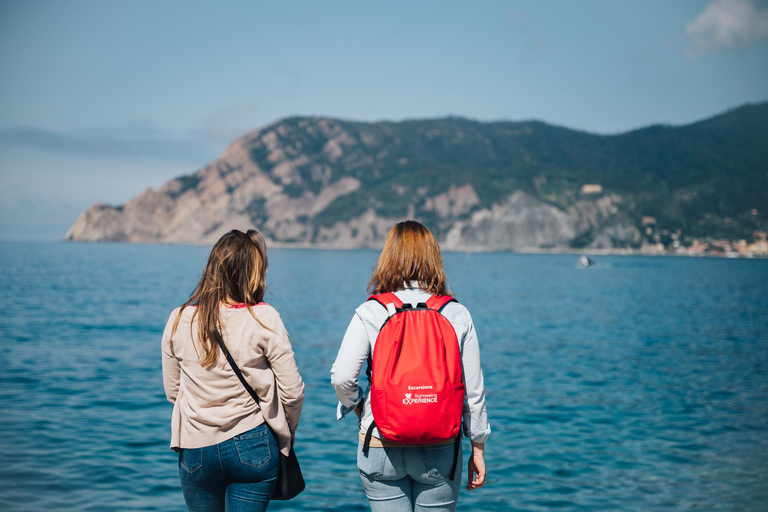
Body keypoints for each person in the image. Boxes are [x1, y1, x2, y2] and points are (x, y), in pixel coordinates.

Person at [331, 220, 490, 512]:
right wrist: (477, 447)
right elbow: (473, 391)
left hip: (380, 443)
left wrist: (358, 407)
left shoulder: (371, 311)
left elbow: (342, 377)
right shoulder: (456, 313)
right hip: (440, 447)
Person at [161, 229, 305, 512]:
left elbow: (172, 392)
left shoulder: (178, 319)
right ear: (254, 272)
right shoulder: (263, 318)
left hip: (195, 446)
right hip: (253, 441)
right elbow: (293, 392)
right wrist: (287, 431)